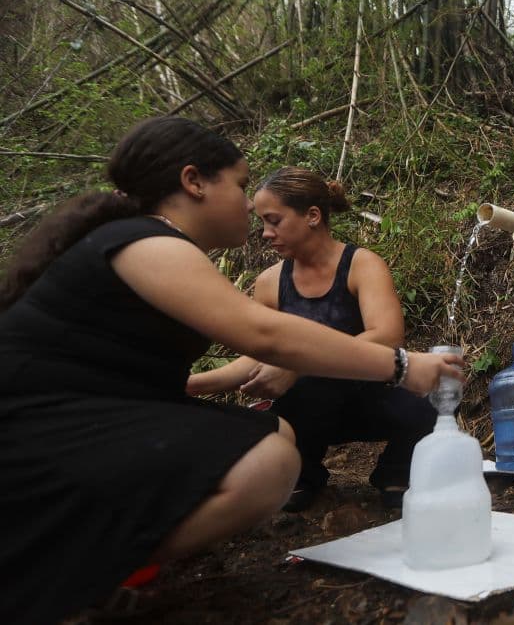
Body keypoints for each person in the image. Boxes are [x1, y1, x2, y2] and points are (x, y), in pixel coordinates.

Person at [0, 116, 462, 625]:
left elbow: (122, 365)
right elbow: (264, 337)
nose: (249, 206)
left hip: (69, 420)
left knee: (276, 433)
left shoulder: (151, 244)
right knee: (265, 461)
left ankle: (98, 558)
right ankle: (77, 570)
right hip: (34, 430)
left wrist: (189, 387)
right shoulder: (147, 243)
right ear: (193, 181)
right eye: (241, 185)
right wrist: (399, 365)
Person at [187, 167, 437, 511]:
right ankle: (303, 476)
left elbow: (387, 336)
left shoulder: (361, 265)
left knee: (428, 406)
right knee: (295, 399)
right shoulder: (270, 282)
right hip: (308, 411)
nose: (265, 233)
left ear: (313, 216)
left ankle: (396, 472)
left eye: (274, 221)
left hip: (370, 398)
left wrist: (299, 366)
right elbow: (256, 353)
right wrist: (192, 385)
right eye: (262, 223)